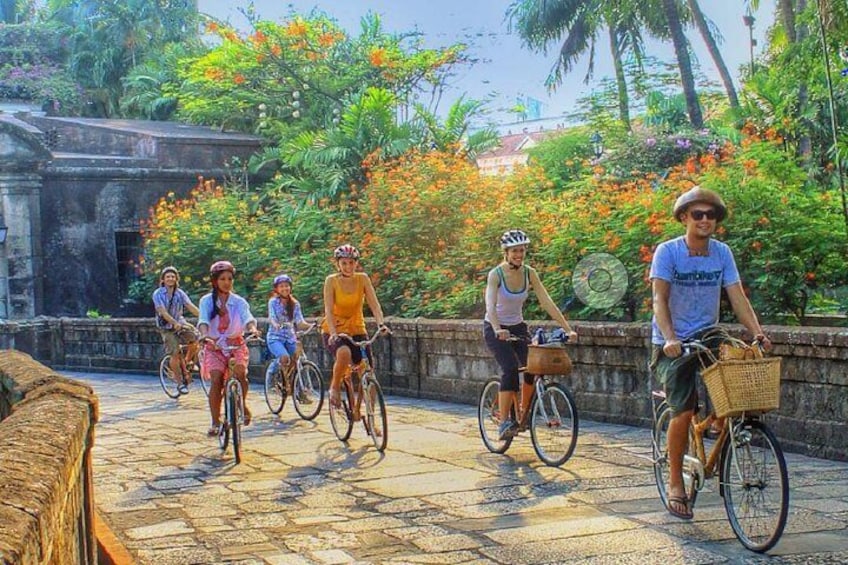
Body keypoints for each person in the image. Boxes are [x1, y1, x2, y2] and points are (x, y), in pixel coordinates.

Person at [650, 186, 771, 520]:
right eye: (698, 214)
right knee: (683, 409)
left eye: (711, 215)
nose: (705, 220)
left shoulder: (722, 253)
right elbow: (659, 298)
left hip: (709, 332)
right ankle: (676, 482)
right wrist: (670, 337)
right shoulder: (668, 252)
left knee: (740, 376)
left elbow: (737, 297)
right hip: (672, 339)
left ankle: (714, 422)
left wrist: (757, 332)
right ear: (685, 217)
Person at [484, 229, 578, 441]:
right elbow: (490, 305)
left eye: (522, 250)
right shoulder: (495, 275)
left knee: (532, 368)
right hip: (495, 328)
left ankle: (523, 413)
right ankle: (504, 421)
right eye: (514, 251)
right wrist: (498, 329)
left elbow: (546, 302)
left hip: (517, 326)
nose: (519, 254)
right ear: (505, 252)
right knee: (509, 368)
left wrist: (567, 328)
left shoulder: (529, 273)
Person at [320, 244, 389, 419]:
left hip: (357, 327)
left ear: (356, 263)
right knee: (343, 353)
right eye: (344, 263)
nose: (348, 267)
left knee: (367, 371)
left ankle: (371, 417)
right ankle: (335, 387)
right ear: (338, 264)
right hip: (335, 327)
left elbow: (374, 304)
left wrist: (381, 324)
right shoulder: (331, 281)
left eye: (351, 263)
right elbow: (328, 309)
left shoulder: (362, 279)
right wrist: (334, 333)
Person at [198, 260, 261, 436]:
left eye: (230, 279)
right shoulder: (206, 301)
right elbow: (203, 320)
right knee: (216, 379)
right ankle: (215, 421)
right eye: (222, 279)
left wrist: (253, 329)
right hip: (214, 345)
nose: (227, 282)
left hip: (236, 343)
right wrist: (204, 335)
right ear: (215, 281)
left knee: (241, 373)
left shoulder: (239, 301)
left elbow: (247, 317)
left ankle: (242, 403)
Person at [152, 266, 200, 394]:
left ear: (176, 279)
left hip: (180, 322)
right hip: (166, 327)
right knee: (174, 353)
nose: (170, 279)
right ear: (163, 279)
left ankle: (188, 362)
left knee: (196, 337)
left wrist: (204, 318)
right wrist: (173, 323)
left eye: (173, 276)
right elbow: (161, 311)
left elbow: (190, 306)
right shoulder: (158, 293)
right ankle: (180, 384)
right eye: (168, 276)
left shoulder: (180, 293)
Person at [266, 274, 313, 402]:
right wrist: (276, 325)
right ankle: (273, 372)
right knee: (284, 357)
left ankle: (299, 390)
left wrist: (313, 325)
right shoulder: (273, 302)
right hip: (275, 337)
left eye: (286, 286)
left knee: (299, 360)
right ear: (276, 289)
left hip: (290, 337)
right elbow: (272, 317)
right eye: (281, 286)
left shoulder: (295, 304)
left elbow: (300, 322)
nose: (284, 288)